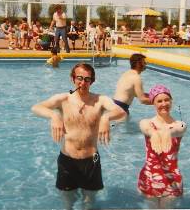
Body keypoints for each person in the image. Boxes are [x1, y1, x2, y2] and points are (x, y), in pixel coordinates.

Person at [31, 63, 126, 210]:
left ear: (92, 81)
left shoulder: (100, 100)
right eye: (79, 78)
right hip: (67, 159)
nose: (83, 83)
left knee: (89, 202)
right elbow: (36, 107)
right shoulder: (63, 99)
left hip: (92, 159)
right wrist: (54, 115)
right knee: (68, 202)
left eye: (87, 79)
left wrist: (106, 118)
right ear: (72, 79)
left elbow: (121, 112)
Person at [138, 84, 187, 208]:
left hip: (172, 179)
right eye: (159, 101)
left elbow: (179, 130)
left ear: (171, 101)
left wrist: (168, 132)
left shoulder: (180, 124)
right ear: (153, 103)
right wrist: (154, 133)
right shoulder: (146, 122)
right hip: (150, 176)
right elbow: (145, 128)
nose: (164, 104)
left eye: (167, 100)